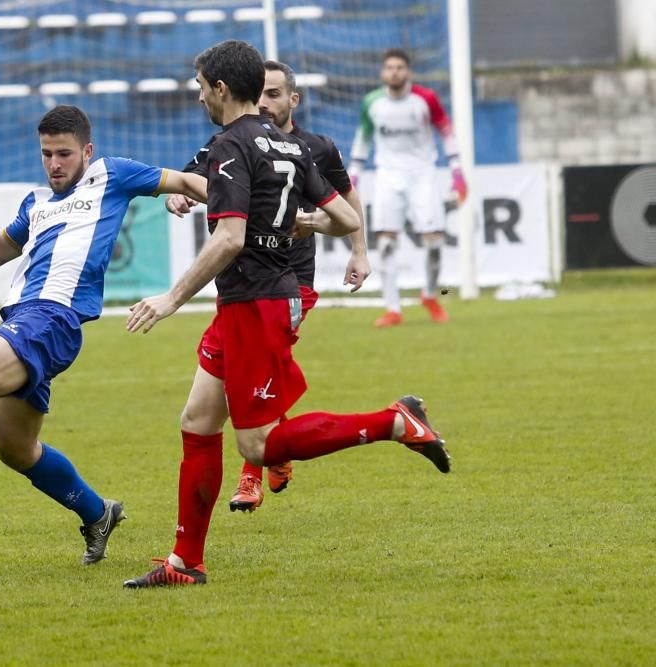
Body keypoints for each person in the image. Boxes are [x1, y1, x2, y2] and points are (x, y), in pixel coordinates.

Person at [122, 40, 450, 588]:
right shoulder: (287, 145)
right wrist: (305, 225)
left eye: (202, 88)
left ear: (221, 89)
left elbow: (228, 238)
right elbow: (345, 217)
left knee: (259, 444)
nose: (200, 97)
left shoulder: (231, 146)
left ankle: (395, 421)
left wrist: (170, 298)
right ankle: (185, 562)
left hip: (257, 302)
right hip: (249, 300)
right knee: (198, 422)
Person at [0, 105, 209, 567]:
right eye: (47, 154)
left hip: (52, 318)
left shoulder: (112, 174)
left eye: (65, 154)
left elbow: (188, 182)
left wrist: (231, 205)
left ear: (87, 152)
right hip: (27, 317)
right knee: (16, 450)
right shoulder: (35, 204)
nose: (55, 164)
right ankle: (98, 513)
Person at [165, 60, 371, 514]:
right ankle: (189, 553)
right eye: (262, 93)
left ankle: (254, 471)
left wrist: (353, 247)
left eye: (275, 94)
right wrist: (181, 191)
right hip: (242, 291)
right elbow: (197, 176)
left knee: (246, 410)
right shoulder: (229, 144)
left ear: (293, 99)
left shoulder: (312, 148)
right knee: (203, 415)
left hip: (284, 286)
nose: (266, 102)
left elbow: (348, 203)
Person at [349, 48, 467, 328]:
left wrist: (458, 172)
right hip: (388, 177)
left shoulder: (425, 99)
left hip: (423, 176)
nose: (395, 72)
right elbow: (363, 140)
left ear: (408, 72)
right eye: (390, 67)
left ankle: (430, 294)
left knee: (435, 243)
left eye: (400, 67)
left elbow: (447, 133)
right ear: (383, 73)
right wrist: (353, 176)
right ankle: (393, 308)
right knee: (387, 243)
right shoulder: (372, 103)